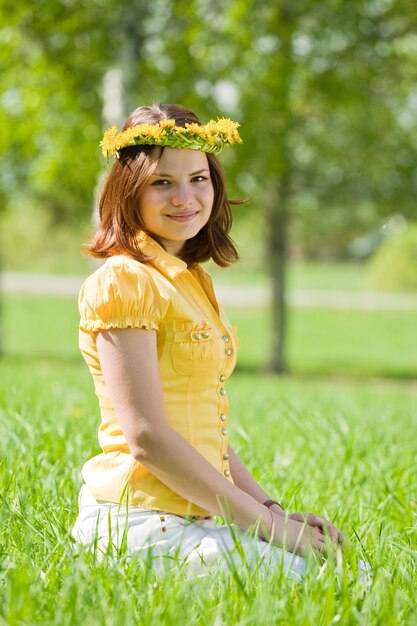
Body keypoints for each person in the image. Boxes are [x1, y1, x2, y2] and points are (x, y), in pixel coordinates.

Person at [71, 103, 344, 578]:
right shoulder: (124, 282)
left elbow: (202, 434)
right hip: (134, 522)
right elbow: (148, 438)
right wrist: (273, 530)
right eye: (162, 182)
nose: (185, 197)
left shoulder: (190, 280)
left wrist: (273, 511)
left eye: (199, 178)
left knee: (344, 570)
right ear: (128, 190)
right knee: (318, 579)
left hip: (193, 515)